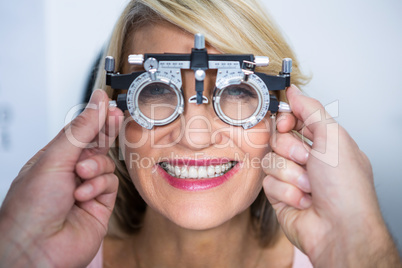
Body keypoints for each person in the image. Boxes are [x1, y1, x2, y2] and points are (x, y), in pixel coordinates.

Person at [0, 0, 401, 267]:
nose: (194, 136)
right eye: (156, 90)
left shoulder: (347, 257)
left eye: (240, 92)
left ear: (286, 114)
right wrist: (20, 253)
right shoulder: (48, 259)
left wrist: (357, 245)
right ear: (110, 115)